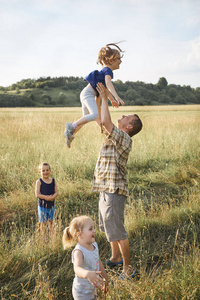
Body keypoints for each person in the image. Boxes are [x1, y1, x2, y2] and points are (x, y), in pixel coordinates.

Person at [92, 83, 143, 279]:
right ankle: (115, 258)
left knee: (118, 232)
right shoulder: (115, 135)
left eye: (126, 117)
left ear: (129, 126)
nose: (122, 116)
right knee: (107, 226)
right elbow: (100, 118)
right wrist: (98, 96)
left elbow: (105, 122)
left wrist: (106, 98)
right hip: (105, 188)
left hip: (114, 191)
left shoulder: (124, 137)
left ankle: (128, 270)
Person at [64, 42, 125, 148]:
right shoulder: (108, 71)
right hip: (88, 94)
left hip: (86, 94)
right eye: (118, 59)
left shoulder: (105, 71)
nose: (121, 61)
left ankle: (71, 135)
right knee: (95, 115)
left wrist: (111, 99)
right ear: (111, 60)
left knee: (85, 119)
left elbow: (105, 88)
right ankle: (71, 126)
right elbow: (108, 84)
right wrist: (117, 97)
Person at [63, 215, 108, 300]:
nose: (94, 231)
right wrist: (87, 274)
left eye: (94, 228)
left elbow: (98, 262)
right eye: (90, 229)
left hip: (92, 288)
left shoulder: (94, 245)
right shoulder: (79, 252)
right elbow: (77, 268)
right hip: (82, 293)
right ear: (79, 234)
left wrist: (105, 278)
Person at [35, 162, 58, 237]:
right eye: (43, 171)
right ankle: (44, 237)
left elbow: (56, 192)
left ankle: (52, 236)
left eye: (47, 170)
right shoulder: (39, 182)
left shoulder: (53, 181)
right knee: (43, 223)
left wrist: (52, 197)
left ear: (50, 171)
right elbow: (37, 194)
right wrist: (46, 197)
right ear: (40, 172)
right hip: (42, 206)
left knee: (51, 221)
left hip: (51, 205)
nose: (45, 172)